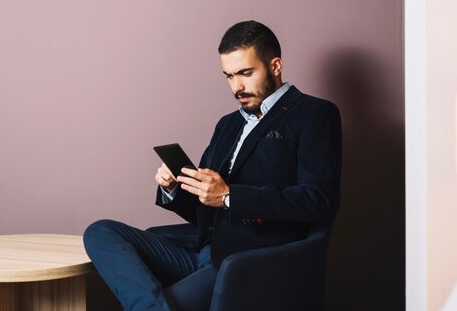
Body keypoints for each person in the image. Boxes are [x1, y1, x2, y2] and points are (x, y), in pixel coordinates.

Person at [84, 20, 342, 311]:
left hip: (246, 261)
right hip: (201, 249)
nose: (237, 87)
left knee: (169, 303)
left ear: (275, 65)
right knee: (100, 231)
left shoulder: (314, 115)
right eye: (229, 76)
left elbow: (318, 201)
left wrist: (230, 196)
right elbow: (204, 211)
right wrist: (175, 188)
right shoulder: (228, 124)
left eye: (245, 73)